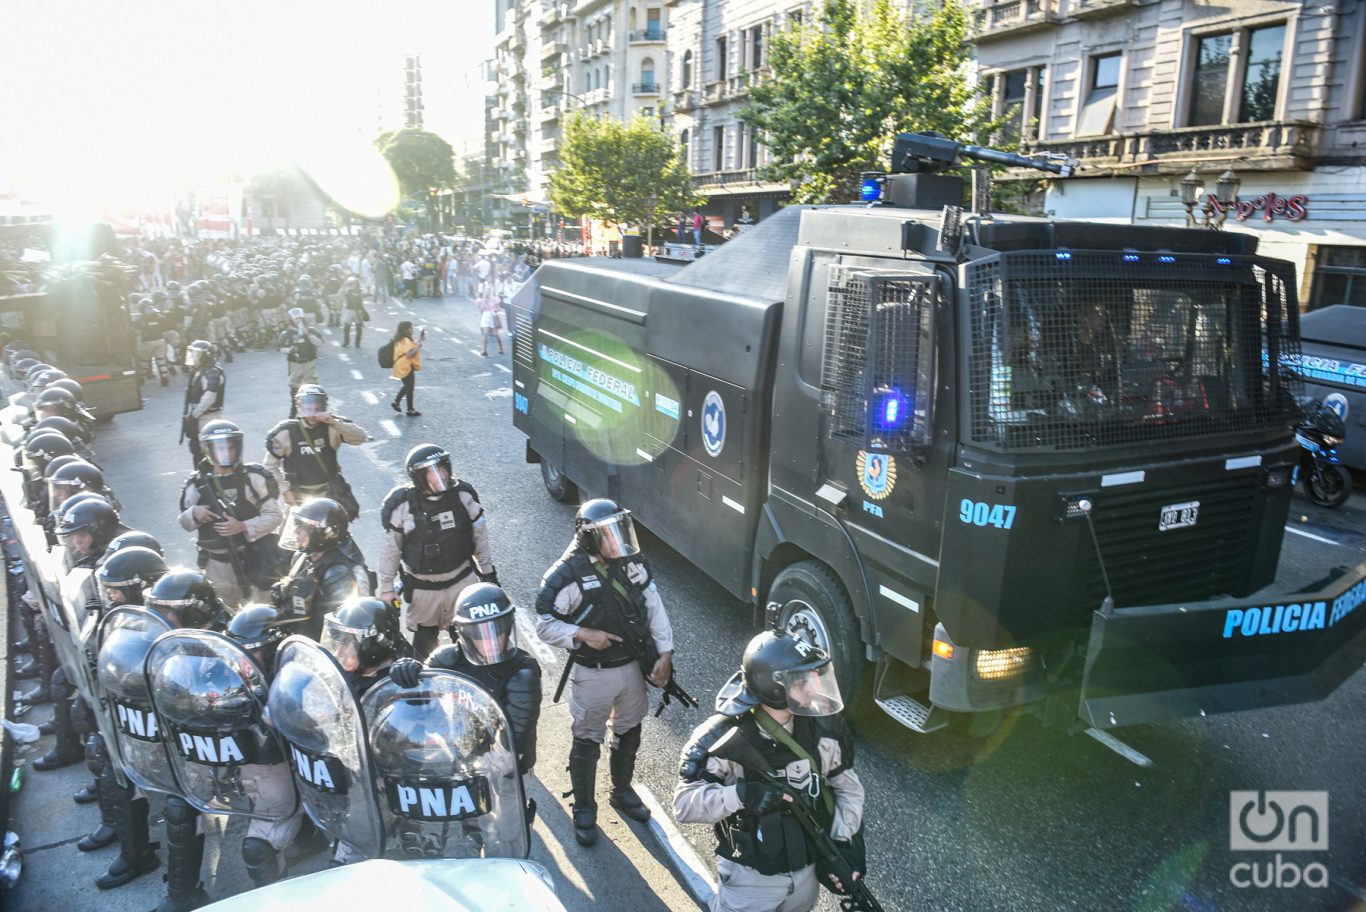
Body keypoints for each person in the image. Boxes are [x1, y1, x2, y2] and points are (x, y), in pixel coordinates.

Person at [673, 631, 867, 912]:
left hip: (806, 874)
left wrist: (843, 843)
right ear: (774, 687)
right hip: (749, 881)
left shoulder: (822, 731)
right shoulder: (724, 736)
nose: (813, 689)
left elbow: (849, 789)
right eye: (802, 683)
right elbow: (684, 805)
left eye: (814, 678)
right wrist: (743, 794)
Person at [535, 498, 674, 845]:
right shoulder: (566, 576)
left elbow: (654, 609)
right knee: (587, 740)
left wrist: (665, 654)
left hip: (630, 666)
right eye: (608, 535)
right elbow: (544, 625)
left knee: (629, 731)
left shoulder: (633, 564)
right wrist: (581, 634)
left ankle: (621, 790)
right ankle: (584, 807)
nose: (618, 542)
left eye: (620, 532)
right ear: (589, 538)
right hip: (592, 673)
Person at [390, 582, 542, 820]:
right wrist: (408, 673)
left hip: (507, 768)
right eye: (481, 634)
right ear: (464, 635)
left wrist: (469, 769)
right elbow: (424, 702)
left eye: (498, 630)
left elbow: (511, 739)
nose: (492, 641)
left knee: (508, 828)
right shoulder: (446, 660)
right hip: (457, 759)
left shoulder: (523, 672)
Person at [142, 570, 228, 912]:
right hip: (191, 730)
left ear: (192, 611)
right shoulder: (171, 636)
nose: (160, 618)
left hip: (239, 739)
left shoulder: (227, 639)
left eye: (169, 611)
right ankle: (183, 893)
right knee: (179, 805)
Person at [226, 605, 329, 886]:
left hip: (290, 768)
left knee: (257, 849)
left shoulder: (306, 680)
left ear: (274, 648)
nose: (243, 661)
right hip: (255, 770)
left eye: (253, 651)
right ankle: (309, 837)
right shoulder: (232, 678)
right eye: (239, 652)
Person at [86, 543, 168, 891]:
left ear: (140, 586)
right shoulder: (129, 620)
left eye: (116, 590)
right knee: (102, 754)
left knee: (177, 809)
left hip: (169, 727)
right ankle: (122, 832)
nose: (110, 597)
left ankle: (141, 859)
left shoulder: (169, 619)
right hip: (135, 716)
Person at [378, 444, 495, 660]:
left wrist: (487, 572)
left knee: (471, 648)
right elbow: (390, 549)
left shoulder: (462, 496)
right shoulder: (403, 506)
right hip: (424, 590)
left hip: (461, 583)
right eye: (431, 471)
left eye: (442, 468)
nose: (440, 474)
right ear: (419, 476)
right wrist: (386, 588)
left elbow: (480, 536)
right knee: (423, 652)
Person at [178, 419, 284, 611]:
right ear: (207, 449)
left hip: (256, 559)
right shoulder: (197, 484)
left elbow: (275, 515)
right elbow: (184, 522)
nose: (226, 452)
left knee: (264, 611)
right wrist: (195, 513)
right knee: (223, 611)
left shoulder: (254, 478)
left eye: (230, 447)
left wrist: (243, 526)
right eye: (219, 448)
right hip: (219, 565)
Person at [272, 497, 373, 641]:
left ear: (322, 533)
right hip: (297, 637)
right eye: (296, 525)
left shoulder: (341, 573)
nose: (296, 531)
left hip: (320, 646)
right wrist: (283, 591)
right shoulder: (302, 556)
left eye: (302, 527)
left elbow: (349, 624)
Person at [263, 384, 366, 514]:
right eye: (308, 408)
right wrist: (285, 491)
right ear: (299, 407)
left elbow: (360, 437)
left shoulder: (332, 426)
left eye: (317, 408)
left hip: (329, 494)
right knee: (293, 533)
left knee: (335, 532)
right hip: (298, 496)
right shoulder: (286, 432)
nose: (312, 413)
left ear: (323, 407)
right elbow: (270, 466)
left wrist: (334, 422)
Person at [180, 340, 224, 468]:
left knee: (207, 450)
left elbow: (209, 398)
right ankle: (202, 477)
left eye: (197, 354)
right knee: (197, 449)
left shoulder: (212, 373)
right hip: (200, 415)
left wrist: (194, 415)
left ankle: (211, 480)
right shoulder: (201, 370)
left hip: (208, 417)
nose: (193, 357)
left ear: (206, 355)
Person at [279, 307, 324, 417]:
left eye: (300, 318)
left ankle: (315, 415)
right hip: (295, 365)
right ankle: (293, 415)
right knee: (295, 390)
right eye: (295, 319)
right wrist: (290, 350)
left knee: (312, 390)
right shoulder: (287, 333)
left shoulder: (311, 330)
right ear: (291, 320)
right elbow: (280, 347)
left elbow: (320, 343)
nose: (298, 321)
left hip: (309, 363)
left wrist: (308, 334)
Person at [389, 321, 424, 417]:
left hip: (400, 365)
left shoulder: (401, 339)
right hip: (406, 366)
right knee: (409, 388)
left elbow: (411, 347)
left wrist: (420, 340)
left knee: (407, 386)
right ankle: (410, 409)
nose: (411, 329)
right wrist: (418, 347)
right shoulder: (405, 340)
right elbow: (409, 354)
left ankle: (396, 402)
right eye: (410, 328)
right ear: (405, 329)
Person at [341, 276, 367, 348]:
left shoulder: (360, 291)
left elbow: (366, 291)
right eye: (351, 284)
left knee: (358, 328)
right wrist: (344, 284)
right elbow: (341, 293)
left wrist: (360, 282)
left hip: (358, 312)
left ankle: (357, 343)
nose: (352, 285)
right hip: (350, 311)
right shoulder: (348, 291)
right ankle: (346, 342)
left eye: (354, 284)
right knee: (346, 327)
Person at [478, 291, 505, 357]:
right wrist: (484, 301)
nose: (487, 293)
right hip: (485, 316)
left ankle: (501, 347)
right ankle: (484, 350)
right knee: (485, 334)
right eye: (486, 292)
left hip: (493, 316)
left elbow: (499, 308)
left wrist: (495, 310)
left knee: (496, 334)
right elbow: (481, 309)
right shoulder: (482, 300)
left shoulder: (494, 299)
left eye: (488, 291)